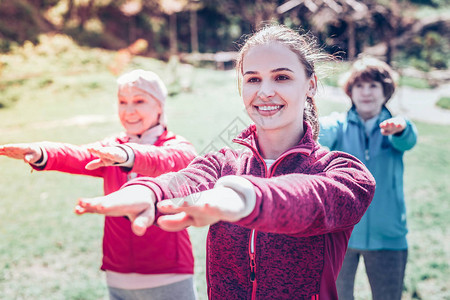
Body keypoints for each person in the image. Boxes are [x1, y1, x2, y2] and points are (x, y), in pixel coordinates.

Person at [75, 25, 376, 300]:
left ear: (310, 85)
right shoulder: (222, 163)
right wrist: (149, 192)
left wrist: (243, 198)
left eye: (282, 77)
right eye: (253, 79)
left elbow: (309, 197)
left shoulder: (344, 173)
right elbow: (182, 180)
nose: (265, 91)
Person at [0, 69, 198, 300]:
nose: (129, 110)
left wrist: (126, 155)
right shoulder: (111, 146)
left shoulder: (177, 147)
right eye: (122, 102)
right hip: (118, 271)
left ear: (160, 106)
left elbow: (167, 160)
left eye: (139, 101)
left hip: (168, 271)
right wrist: (41, 151)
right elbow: (78, 155)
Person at [319, 57, 418, 300]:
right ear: (349, 91)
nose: (366, 92)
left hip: (388, 236)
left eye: (373, 86)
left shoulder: (394, 127)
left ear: (386, 92)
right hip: (340, 233)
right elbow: (319, 133)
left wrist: (401, 127)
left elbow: (408, 138)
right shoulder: (338, 125)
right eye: (359, 86)